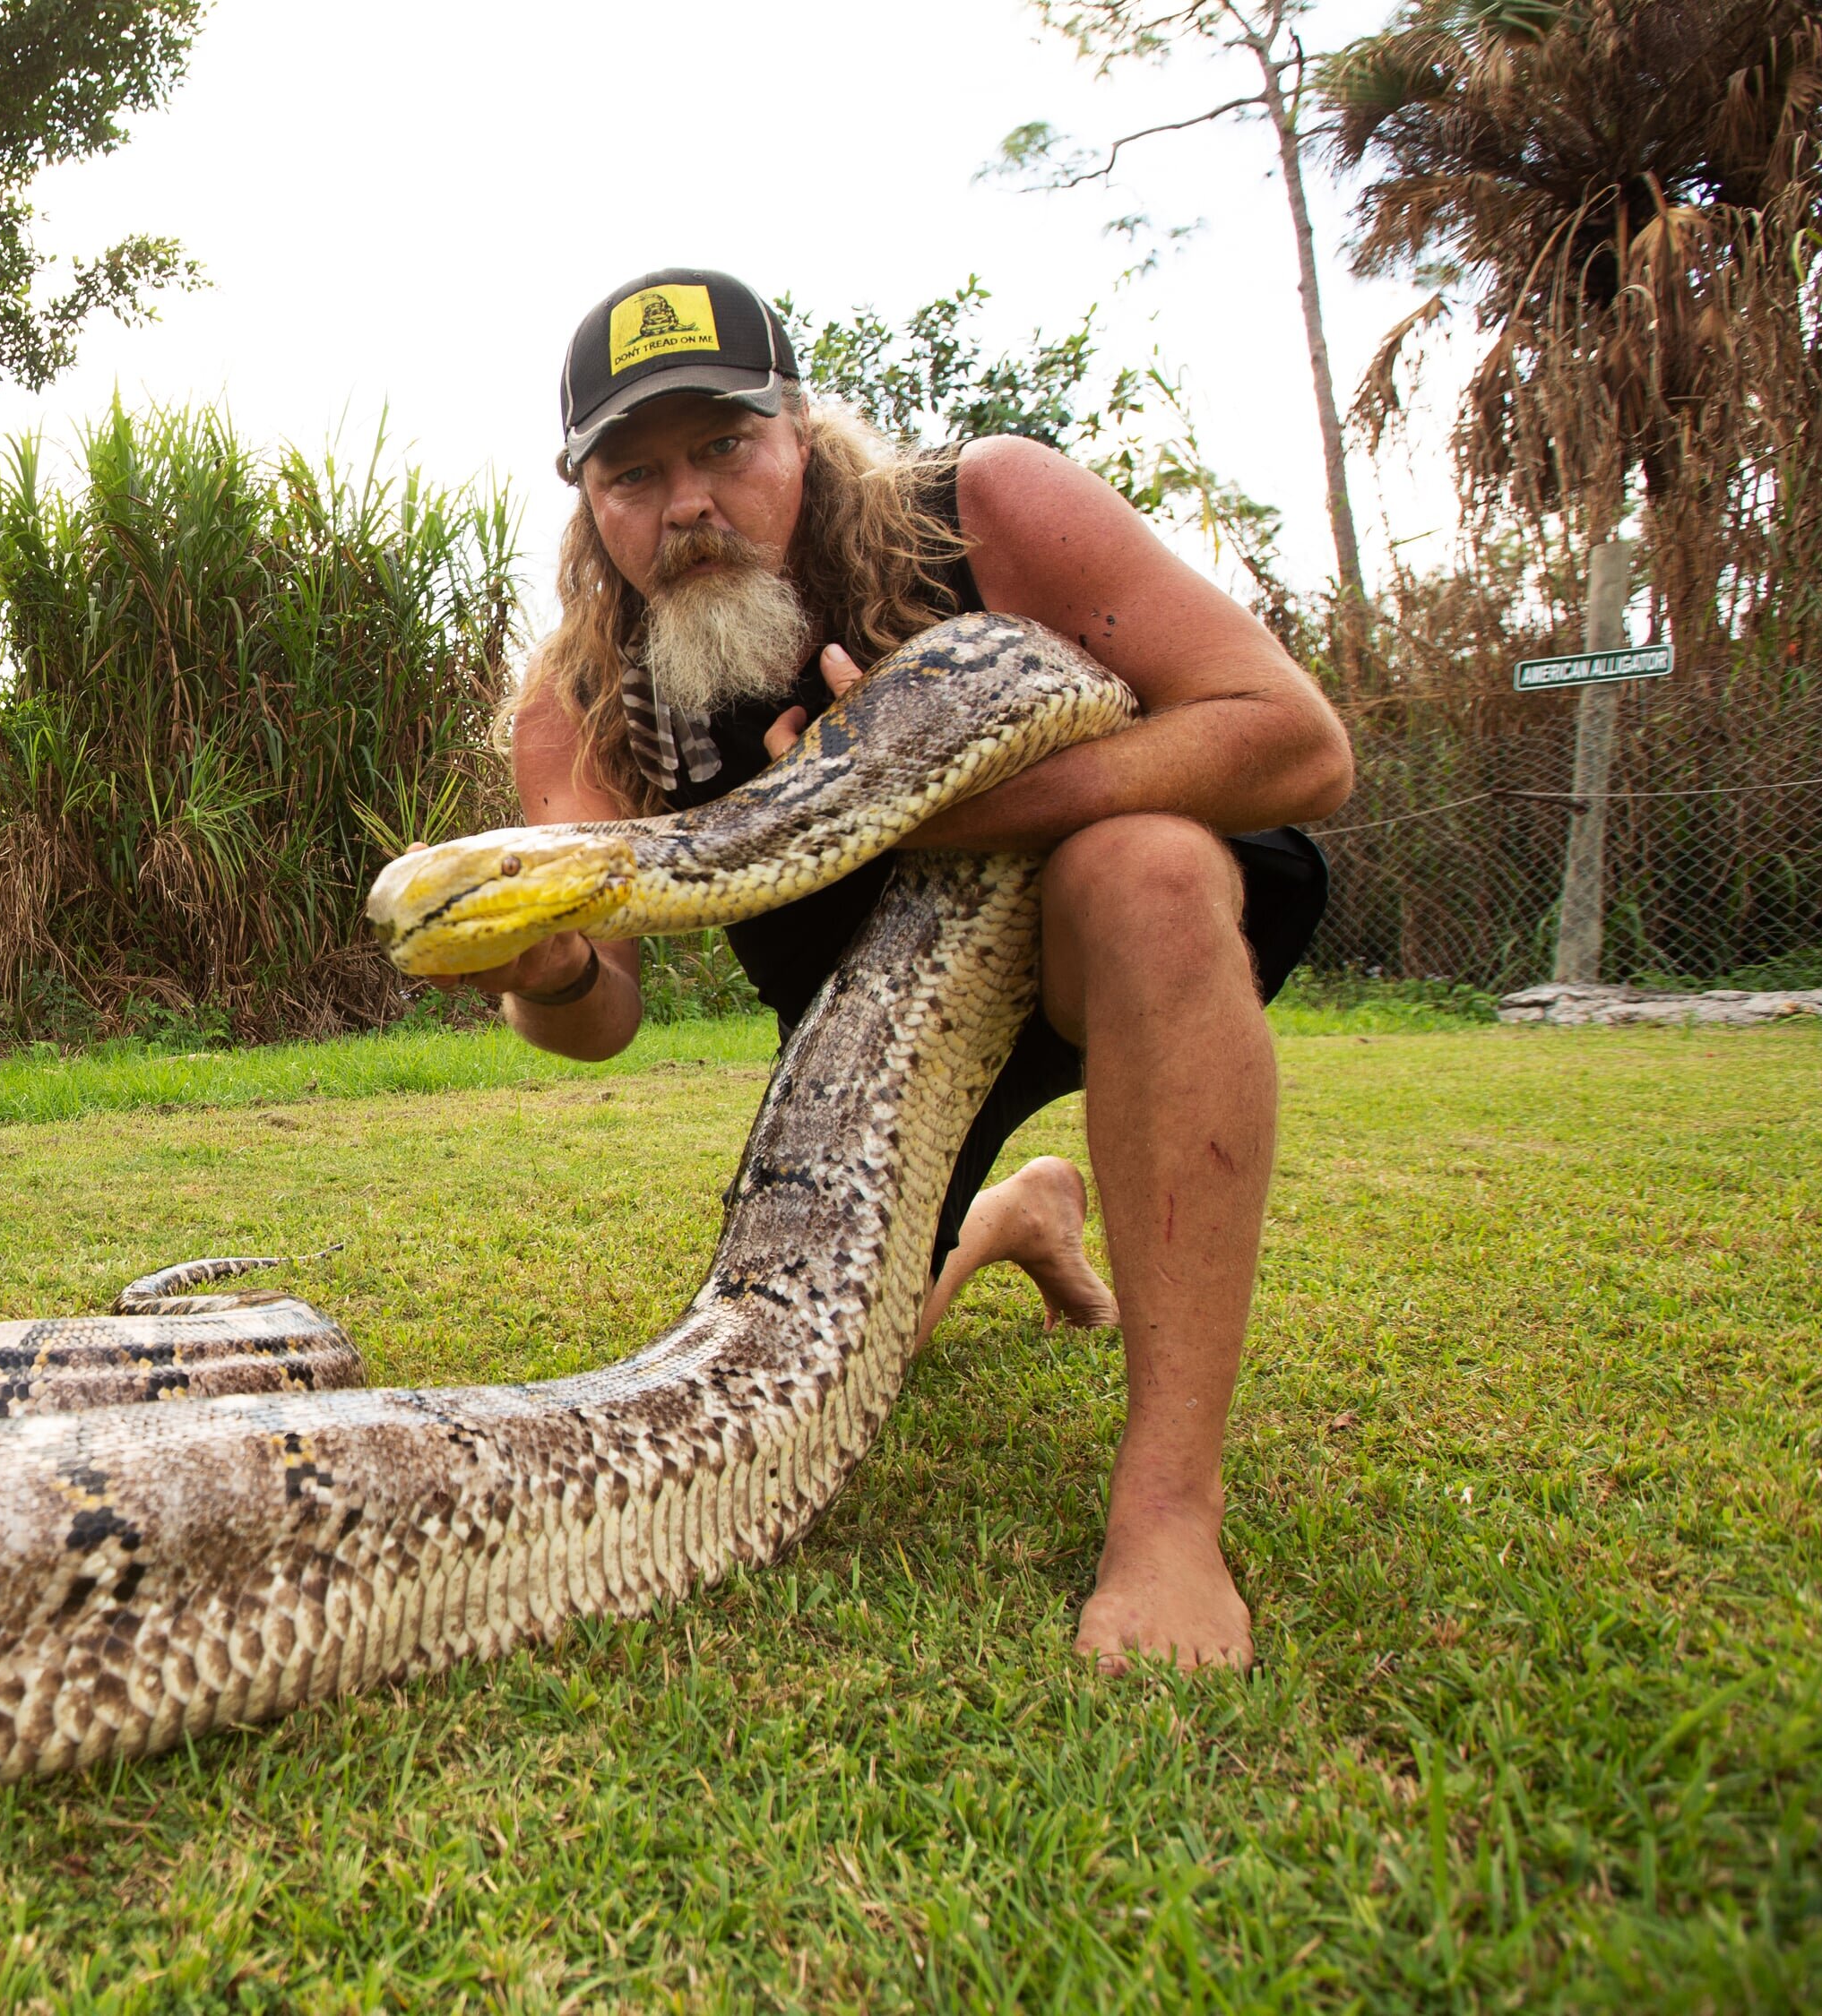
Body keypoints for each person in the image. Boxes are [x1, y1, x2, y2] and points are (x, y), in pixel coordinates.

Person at [438, 269, 1355, 1674]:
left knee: (1150, 871)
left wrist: (940, 793)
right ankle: (1017, 1216)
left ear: (799, 434)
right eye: (634, 473)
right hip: (886, 1030)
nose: (686, 502)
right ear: (588, 500)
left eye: (724, 447)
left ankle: (1170, 1509)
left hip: (1097, 940)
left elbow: (1297, 742)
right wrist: (549, 970)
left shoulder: (985, 513)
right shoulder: (579, 703)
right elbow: (597, 1016)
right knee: (837, 1370)